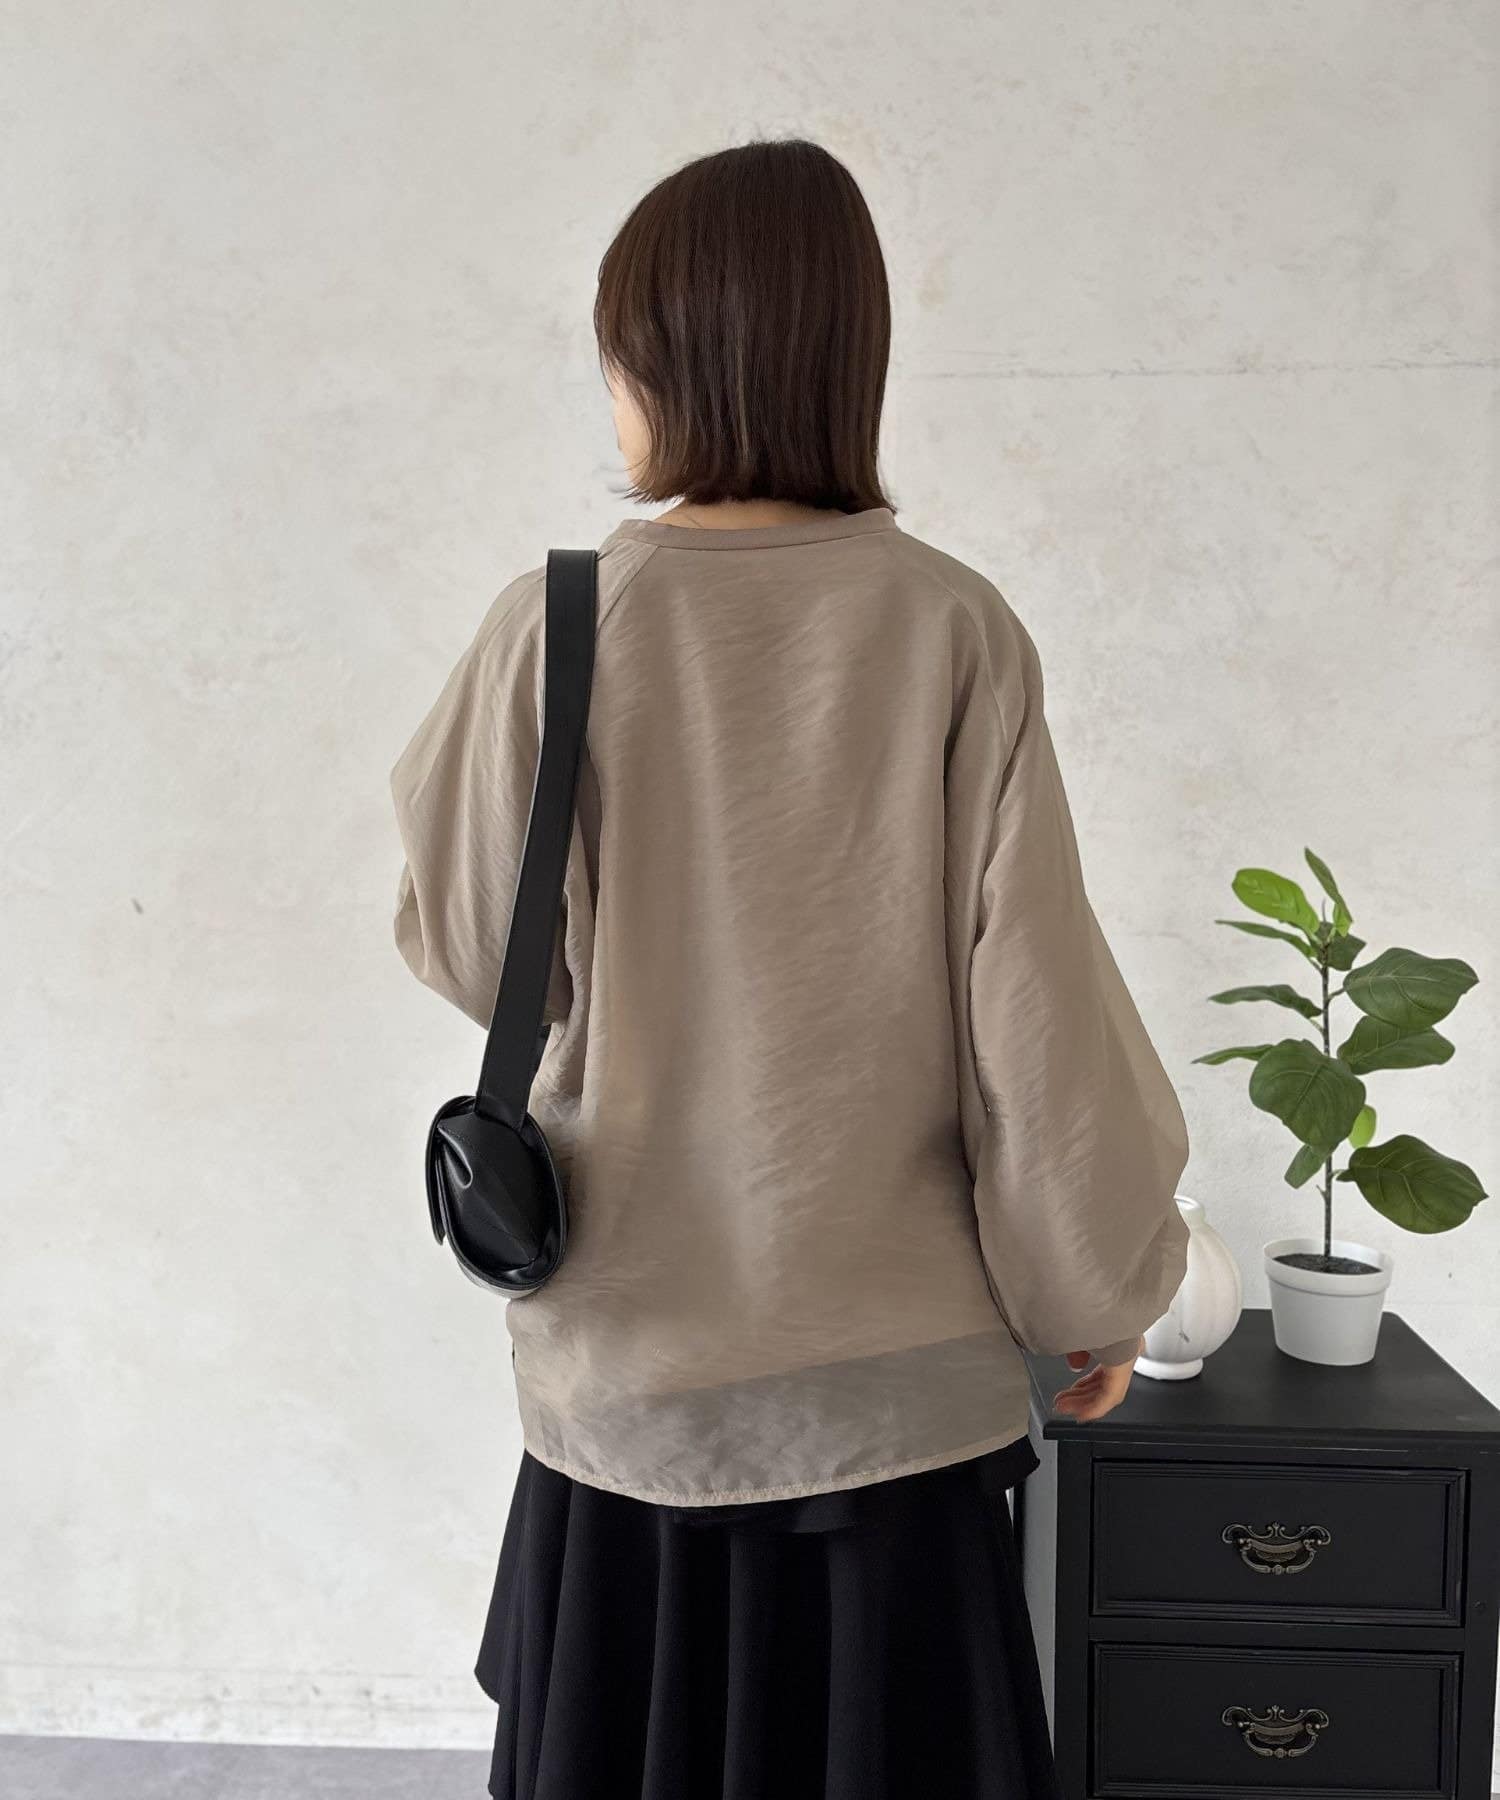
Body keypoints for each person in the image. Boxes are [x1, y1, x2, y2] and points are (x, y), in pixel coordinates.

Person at [389, 136, 1190, 1800]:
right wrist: (1095, 1295)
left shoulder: (556, 625)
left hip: (635, 1388)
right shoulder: (956, 628)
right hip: (897, 1403)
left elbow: (472, 948)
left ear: (666, 362)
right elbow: (1035, 1025)